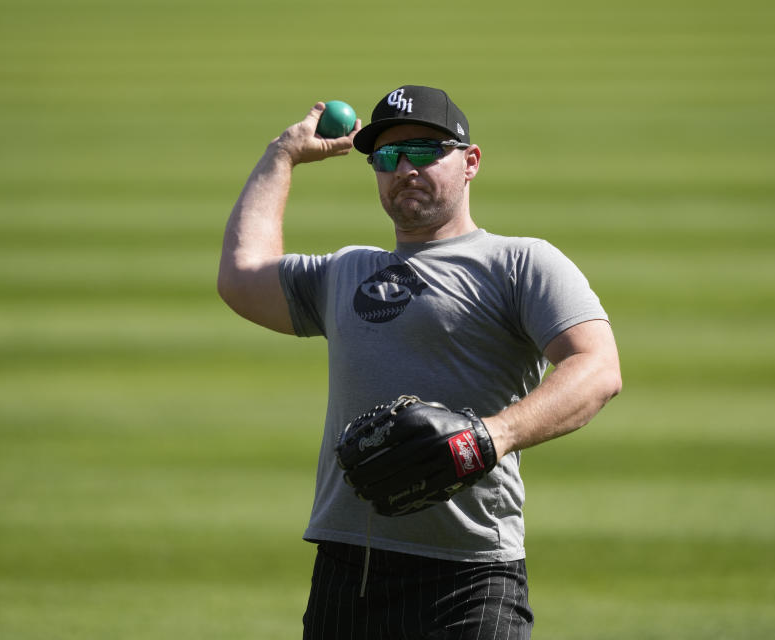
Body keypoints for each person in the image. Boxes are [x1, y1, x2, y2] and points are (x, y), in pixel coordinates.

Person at [218, 85, 622, 639]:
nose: (405, 168)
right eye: (387, 156)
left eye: (426, 150)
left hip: (472, 580)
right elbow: (242, 277)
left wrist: (490, 436)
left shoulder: (519, 263)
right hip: (348, 574)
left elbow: (597, 368)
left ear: (470, 161)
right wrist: (280, 155)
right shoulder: (345, 272)